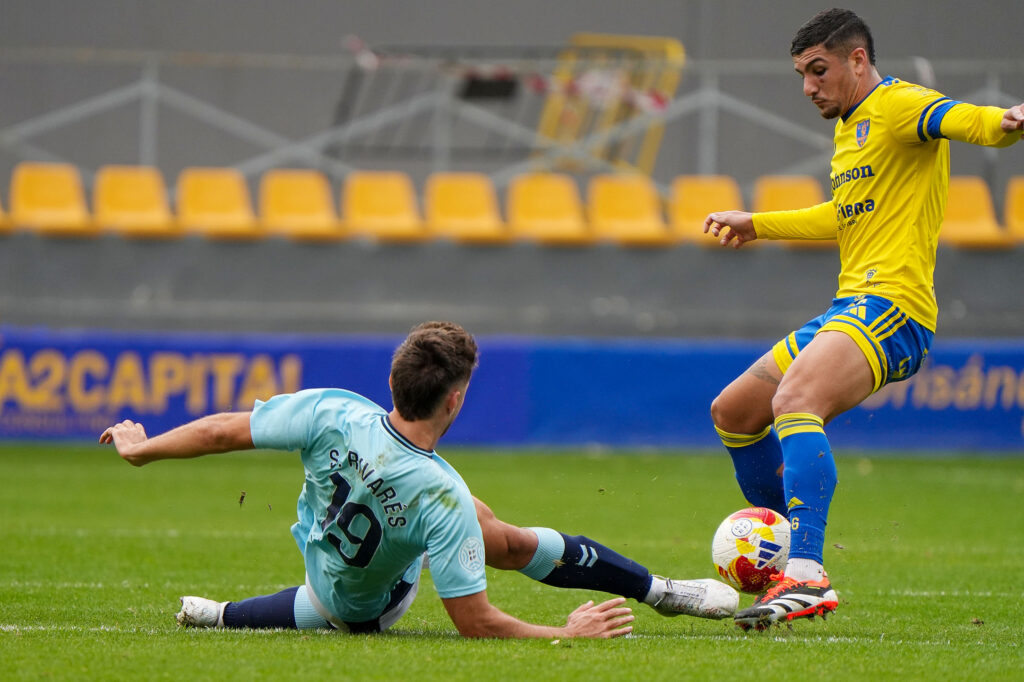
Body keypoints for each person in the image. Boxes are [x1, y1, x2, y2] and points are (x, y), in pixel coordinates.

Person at [101, 321, 737, 638]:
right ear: (455, 403)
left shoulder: (334, 411)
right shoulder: (441, 494)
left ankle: (220, 615)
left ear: (391, 382)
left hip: (333, 562)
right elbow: (476, 621)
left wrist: (143, 449)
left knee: (480, 528)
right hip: (366, 606)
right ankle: (661, 590)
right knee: (498, 536)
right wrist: (564, 635)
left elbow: (221, 432)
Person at [703, 8, 1023, 631]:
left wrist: (1007, 121)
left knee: (794, 401)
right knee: (734, 412)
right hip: (848, 307)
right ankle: (787, 562)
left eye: (818, 70)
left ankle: (805, 573)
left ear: (857, 60)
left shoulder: (900, 104)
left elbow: (967, 121)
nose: (807, 87)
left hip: (894, 308)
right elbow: (842, 216)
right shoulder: (851, 132)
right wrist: (758, 223)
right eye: (801, 74)